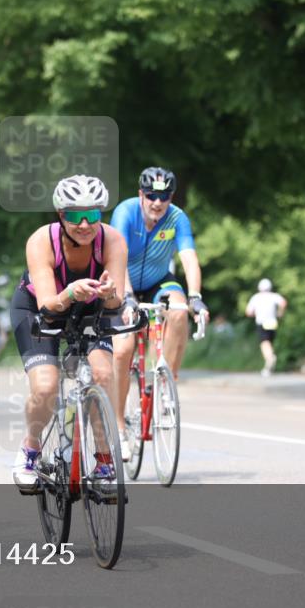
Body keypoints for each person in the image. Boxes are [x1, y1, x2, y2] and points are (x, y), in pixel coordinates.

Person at [10, 174, 128, 491]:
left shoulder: (113, 240)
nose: (85, 224)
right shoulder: (40, 241)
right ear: (61, 216)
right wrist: (71, 292)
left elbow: (116, 300)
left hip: (88, 307)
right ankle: (31, 448)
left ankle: (104, 462)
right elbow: (49, 303)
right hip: (39, 308)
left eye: (94, 214)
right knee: (46, 387)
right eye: (76, 215)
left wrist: (110, 293)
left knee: (103, 374)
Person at [109, 166, 209, 461]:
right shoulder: (126, 213)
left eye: (164, 196)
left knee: (178, 310)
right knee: (122, 351)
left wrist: (196, 298)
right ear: (141, 194)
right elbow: (118, 258)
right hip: (122, 280)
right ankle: (119, 428)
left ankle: (167, 381)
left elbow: (188, 257)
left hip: (157, 280)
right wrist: (126, 298)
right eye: (151, 195)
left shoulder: (177, 218)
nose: (157, 202)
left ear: (171, 197)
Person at [246, 278, 287, 377]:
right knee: (269, 342)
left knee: (264, 343)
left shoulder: (256, 297)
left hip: (261, 322)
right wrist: (280, 313)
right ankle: (269, 365)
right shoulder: (274, 296)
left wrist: (254, 314)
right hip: (272, 322)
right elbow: (283, 303)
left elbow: (248, 312)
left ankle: (270, 359)